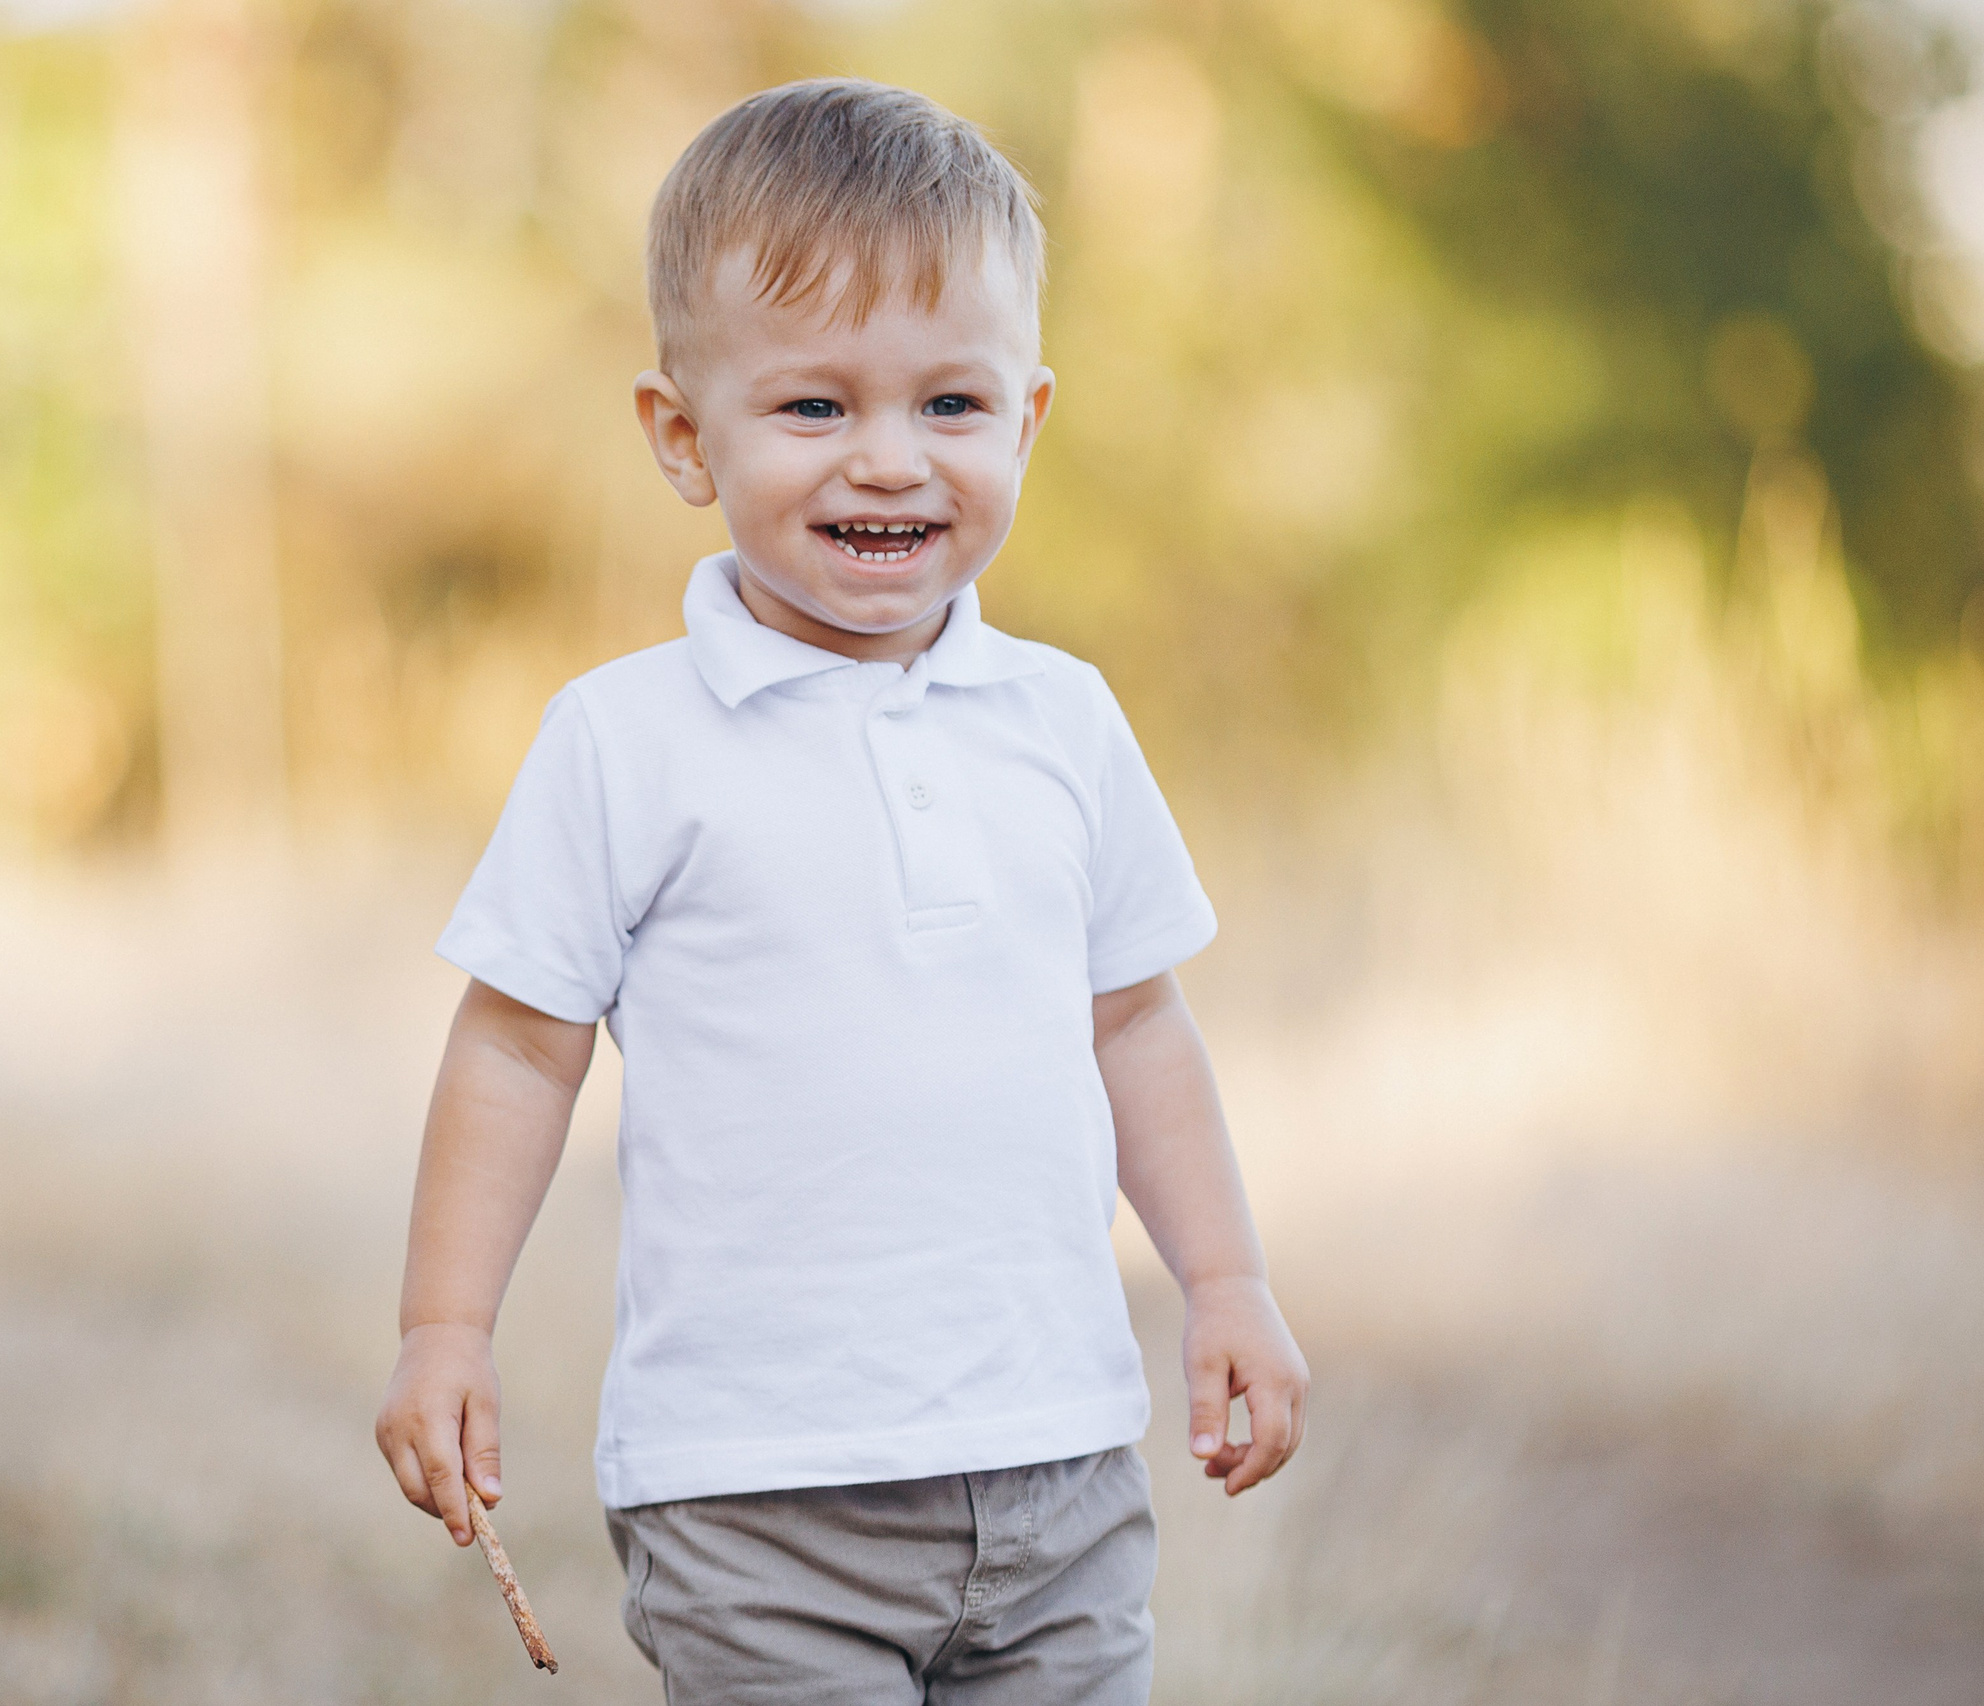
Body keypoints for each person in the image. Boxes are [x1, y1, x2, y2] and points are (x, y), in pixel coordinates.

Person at [374, 77, 1308, 1704]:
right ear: (684, 435)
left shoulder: (1065, 724)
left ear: (1026, 418)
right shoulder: (626, 742)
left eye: (949, 405)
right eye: (814, 410)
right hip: (755, 1492)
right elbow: (517, 1047)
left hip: (1058, 1467)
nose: (889, 461)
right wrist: (444, 1328)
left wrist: (1226, 1282)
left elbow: (1138, 1024)